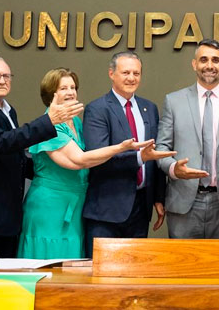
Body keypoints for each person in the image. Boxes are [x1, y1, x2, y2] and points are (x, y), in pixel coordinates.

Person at [18, 68, 173, 258]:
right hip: (50, 208)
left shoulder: (75, 122)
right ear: (51, 93)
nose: (70, 92)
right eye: (63, 88)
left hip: (76, 206)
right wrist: (121, 148)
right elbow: (79, 160)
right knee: (50, 262)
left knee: (72, 266)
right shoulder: (48, 125)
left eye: (73, 87)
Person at [0, 55, 83, 258]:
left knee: (8, 283)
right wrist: (48, 121)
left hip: (8, 216)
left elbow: (17, 159)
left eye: (7, 76)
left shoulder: (8, 111)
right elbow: (2, 142)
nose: (2, 80)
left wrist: (49, 172)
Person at [156, 39, 219, 239]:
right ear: (194, 64)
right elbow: (162, 147)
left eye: (216, 60)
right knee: (182, 267)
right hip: (183, 202)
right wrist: (174, 169)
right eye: (204, 60)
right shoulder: (173, 101)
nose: (209, 65)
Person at [81, 52, 167, 257]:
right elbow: (97, 158)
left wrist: (158, 197)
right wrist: (139, 158)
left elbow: (154, 155)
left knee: (133, 276)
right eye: (125, 72)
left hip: (140, 208)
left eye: (136, 73)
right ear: (111, 73)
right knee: (101, 278)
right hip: (107, 210)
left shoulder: (149, 108)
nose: (131, 78)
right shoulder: (97, 109)